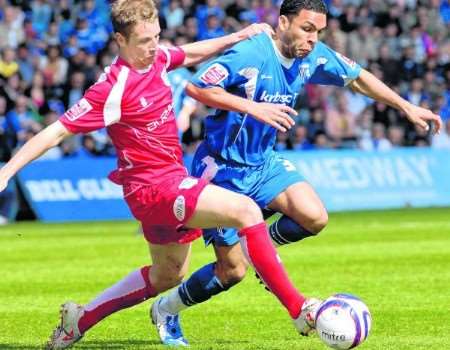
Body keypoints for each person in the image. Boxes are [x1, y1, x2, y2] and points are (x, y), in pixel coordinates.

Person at [0, 1, 320, 348]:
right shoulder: (111, 88)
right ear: (120, 41)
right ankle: (298, 309)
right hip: (153, 189)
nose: (154, 47)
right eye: (144, 41)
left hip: (171, 181)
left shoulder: (157, 59)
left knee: (169, 274)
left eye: (157, 37)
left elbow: (188, 53)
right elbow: (55, 132)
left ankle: (79, 320)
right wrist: (8, 170)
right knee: (246, 211)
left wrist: (239, 35)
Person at [152, 0, 443, 345]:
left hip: (264, 163)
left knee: (314, 216)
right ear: (283, 22)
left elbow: (358, 78)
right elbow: (198, 87)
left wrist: (407, 106)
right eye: (306, 29)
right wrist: (252, 107)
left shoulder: (313, 56)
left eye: (318, 31)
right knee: (231, 273)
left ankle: (259, 250)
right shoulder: (251, 54)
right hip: (222, 170)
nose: (313, 39)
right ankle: (166, 309)